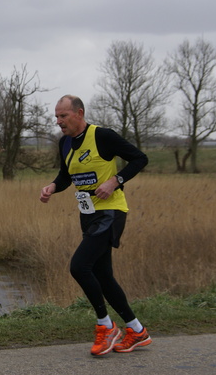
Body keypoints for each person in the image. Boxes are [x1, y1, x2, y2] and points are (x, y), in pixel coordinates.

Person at [40, 95, 152, 356]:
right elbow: (66, 176)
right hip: (88, 214)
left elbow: (139, 158)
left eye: (63, 116)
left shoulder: (103, 136)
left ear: (79, 113)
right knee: (103, 275)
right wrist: (52, 187)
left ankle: (106, 325)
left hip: (110, 212)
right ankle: (137, 331)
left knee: (79, 267)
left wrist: (115, 180)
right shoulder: (64, 143)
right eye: (56, 116)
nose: (58, 121)